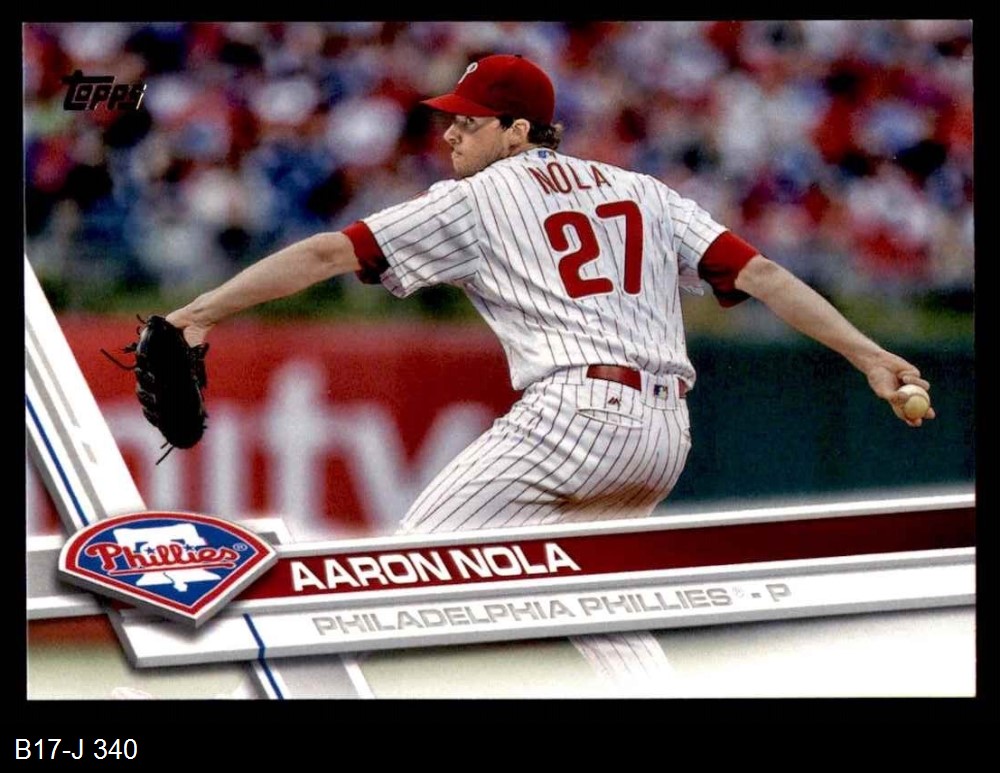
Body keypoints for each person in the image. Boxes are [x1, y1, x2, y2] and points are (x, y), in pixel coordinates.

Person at [165, 54, 935, 696]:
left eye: (471, 120)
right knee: (594, 606)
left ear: (519, 131)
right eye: (450, 117)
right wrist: (869, 354)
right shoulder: (646, 192)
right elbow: (759, 273)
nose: (451, 130)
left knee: (387, 574)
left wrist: (200, 312)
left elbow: (329, 252)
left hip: (574, 412)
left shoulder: (477, 198)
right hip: (663, 434)